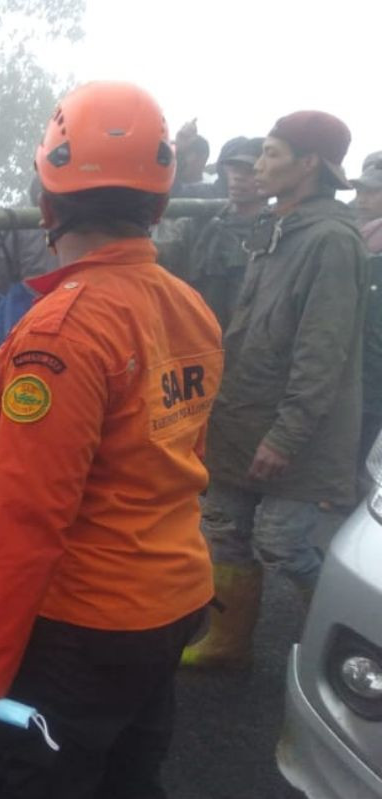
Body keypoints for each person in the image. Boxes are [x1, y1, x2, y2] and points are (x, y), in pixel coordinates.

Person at [0, 82, 221, 799]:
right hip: (171, 601)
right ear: (158, 208)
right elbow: (185, 451)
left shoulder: (58, 336)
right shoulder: (188, 305)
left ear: (46, 206)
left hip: (84, 631)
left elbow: (29, 524)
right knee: (130, 789)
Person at [183, 111, 369, 670]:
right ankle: (228, 641)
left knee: (283, 543)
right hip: (243, 413)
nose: (257, 166)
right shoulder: (277, 226)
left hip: (295, 428)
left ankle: (354, 632)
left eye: (271, 153)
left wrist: (286, 436)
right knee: (226, 529)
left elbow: (323, 351)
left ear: (309, 164)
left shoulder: (332, 241)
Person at [156, 136, 268, 331]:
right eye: (234, 168)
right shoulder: (201, 225)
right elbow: (165, 255)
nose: (238, 177)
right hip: (199, 335)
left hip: (247, 340)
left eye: (249, 171)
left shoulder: (277, 232)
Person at [352, 153, 382, 464]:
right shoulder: (359, 238)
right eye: (360, 191)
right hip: (357, 375)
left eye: (372, 192)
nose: (362, 199)